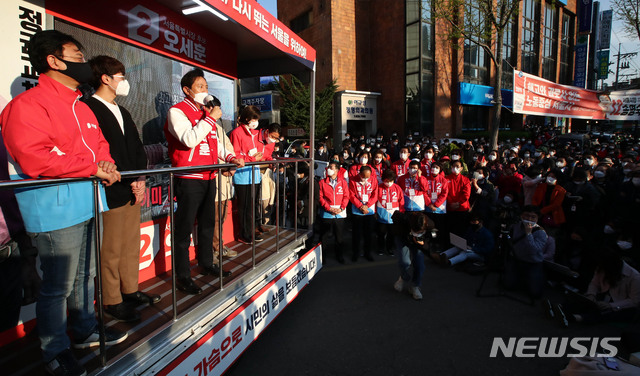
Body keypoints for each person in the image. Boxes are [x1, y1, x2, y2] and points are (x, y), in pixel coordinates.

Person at [0, 30, 126, 375]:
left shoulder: (81, 105)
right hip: (54, 209)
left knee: (86, 276)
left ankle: (84, 329)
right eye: (76, 54)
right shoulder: (25, 106)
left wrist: (106, 164)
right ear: (53, 61)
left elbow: (100, 146)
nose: (83, 63)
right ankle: (54, 350)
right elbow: (34, 159)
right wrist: (91, 167)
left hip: (88, 201)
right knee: (58, 285)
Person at [85, 55, 160, 322]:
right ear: (105, 78)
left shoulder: (123, 110)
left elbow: (137, 148)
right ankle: (112, 299)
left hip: (132, 187)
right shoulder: (88, 107)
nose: (124, 81)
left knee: (129, 244)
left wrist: (140, 178)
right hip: (109, 188)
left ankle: (130, 289)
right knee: (111, 247)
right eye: (120, 76)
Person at [165, 68, 244, 295]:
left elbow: (215, 144)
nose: (205, 91)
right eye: (200, 87)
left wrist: (230, 157)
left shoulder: (205, 115)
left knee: (208, 223)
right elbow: (189, 140)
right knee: (183, 230)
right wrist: (210, 118)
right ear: (186, 90)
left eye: (207, 86)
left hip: (209, 175)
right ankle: (182, 276)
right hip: (189, 178)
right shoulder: (177, 112)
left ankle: (207, 263)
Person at [229, 105, 267, 244]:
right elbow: (236, 155)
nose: (256, 122)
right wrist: (252, 158)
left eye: (257, 119)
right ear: (247, 118)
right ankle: (244, 234)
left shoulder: (254, 133)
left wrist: (258, 156)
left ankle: (251, 231)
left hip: (254, 174)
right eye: (254, 118)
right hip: (242, 175)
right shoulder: (237, 133)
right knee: (244, 207)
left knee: (252, 206)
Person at [504, 205, 549, 299]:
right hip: (516, 259)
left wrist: (528, 233)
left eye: (533, 217)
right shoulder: (515, 226)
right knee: (507, 285)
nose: (529, 219)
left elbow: (533, 250)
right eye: (527, 215)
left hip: (533, 263)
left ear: (537, 218)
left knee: (535, 293)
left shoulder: (541, 232)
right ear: (521, 216)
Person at [391, 211, 435, 300]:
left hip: (418, 242)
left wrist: (422, 243)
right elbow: (395, 220)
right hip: (403, 238)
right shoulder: (402, 221)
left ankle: (415, 286)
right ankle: (403, 278)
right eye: (415, 232)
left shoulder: (430, 224)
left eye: (420, 232)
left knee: (419, 264)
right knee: (404, 262)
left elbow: (428, 242)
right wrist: (410, 236)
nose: (417, 233)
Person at [318, 162, 350, 263]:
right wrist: (328, 208)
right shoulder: (322, 182)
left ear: (337, 170)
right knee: (324, 236)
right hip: (327, 213)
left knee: (339, 236)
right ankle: (323, 257)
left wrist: (341, 208)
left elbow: (346, 196)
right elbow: (320, 197)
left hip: (340, 213)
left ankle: (339, 256)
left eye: (331, 168)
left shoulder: (343, 182)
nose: (328, 169)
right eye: (328, 168)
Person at [349, 165, 378, 262]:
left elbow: (375, 194)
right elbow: (351, 195)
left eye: (368, 177)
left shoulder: (373, 180)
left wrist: (367, 205)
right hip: (357, 211)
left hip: (369, 211)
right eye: (364, 177)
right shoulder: (353, 180)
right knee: (356, 234)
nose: (366, 179)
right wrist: (360, 206)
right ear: (360, 174)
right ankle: (356, 253)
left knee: (368, 234)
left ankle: (367, 253)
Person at [376, 169, 404, 256]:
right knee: (381, 233)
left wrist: (401, 213)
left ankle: (389, 249)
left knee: (391, 234)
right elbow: (374, 200)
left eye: (391, 181)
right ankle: (380, 248)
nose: (388, 183)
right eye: (386, 181)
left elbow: (401, 201)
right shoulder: (379, 187)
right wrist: (375, 212)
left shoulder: (397, 188)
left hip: (393, 216)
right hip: (381, 215)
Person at [445, 160, 471, 236]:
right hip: (450, 208)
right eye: (453, 166)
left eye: (457, 166)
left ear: (461, 168)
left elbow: (466, 194)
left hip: (462, 208)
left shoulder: (465, 180)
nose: (455, 168)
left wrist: (458, 203)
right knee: (450, 228)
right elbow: (445, 192)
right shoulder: (446, 179)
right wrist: (450, 203)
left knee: (461, 229)